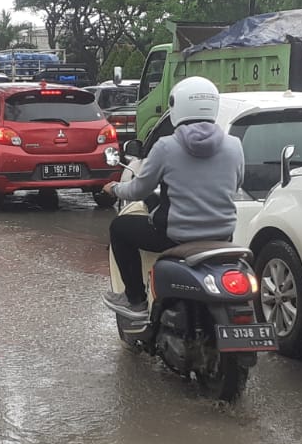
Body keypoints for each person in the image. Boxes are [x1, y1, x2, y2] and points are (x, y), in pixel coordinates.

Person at [102, 76, 244, 313]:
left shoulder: (166, 146)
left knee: (119, 228)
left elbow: (139, 190)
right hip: (223, 235)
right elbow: (237, 183)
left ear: (177, 106)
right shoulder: (234, 144)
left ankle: (134, 299)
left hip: (175, 236)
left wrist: (114, 188)